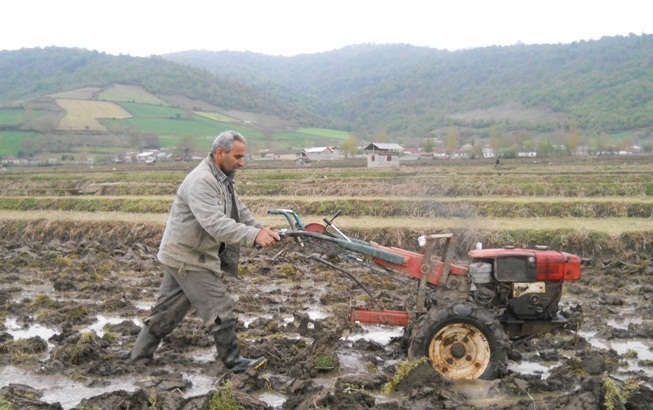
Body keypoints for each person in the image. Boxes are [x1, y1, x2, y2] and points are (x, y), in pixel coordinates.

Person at [128, 130, 281, 373]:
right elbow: (215, 223)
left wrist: (260, 229)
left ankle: (138, 357)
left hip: (183, 254)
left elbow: (237, 211)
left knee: (167, 312)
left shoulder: (221, 178)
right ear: (220, 153)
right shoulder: (202, 181)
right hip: (189, 258)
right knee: (220, 307)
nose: (242, 162)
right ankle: (233, 362)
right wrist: (254, 237)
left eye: (243, 157)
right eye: (238, 156)